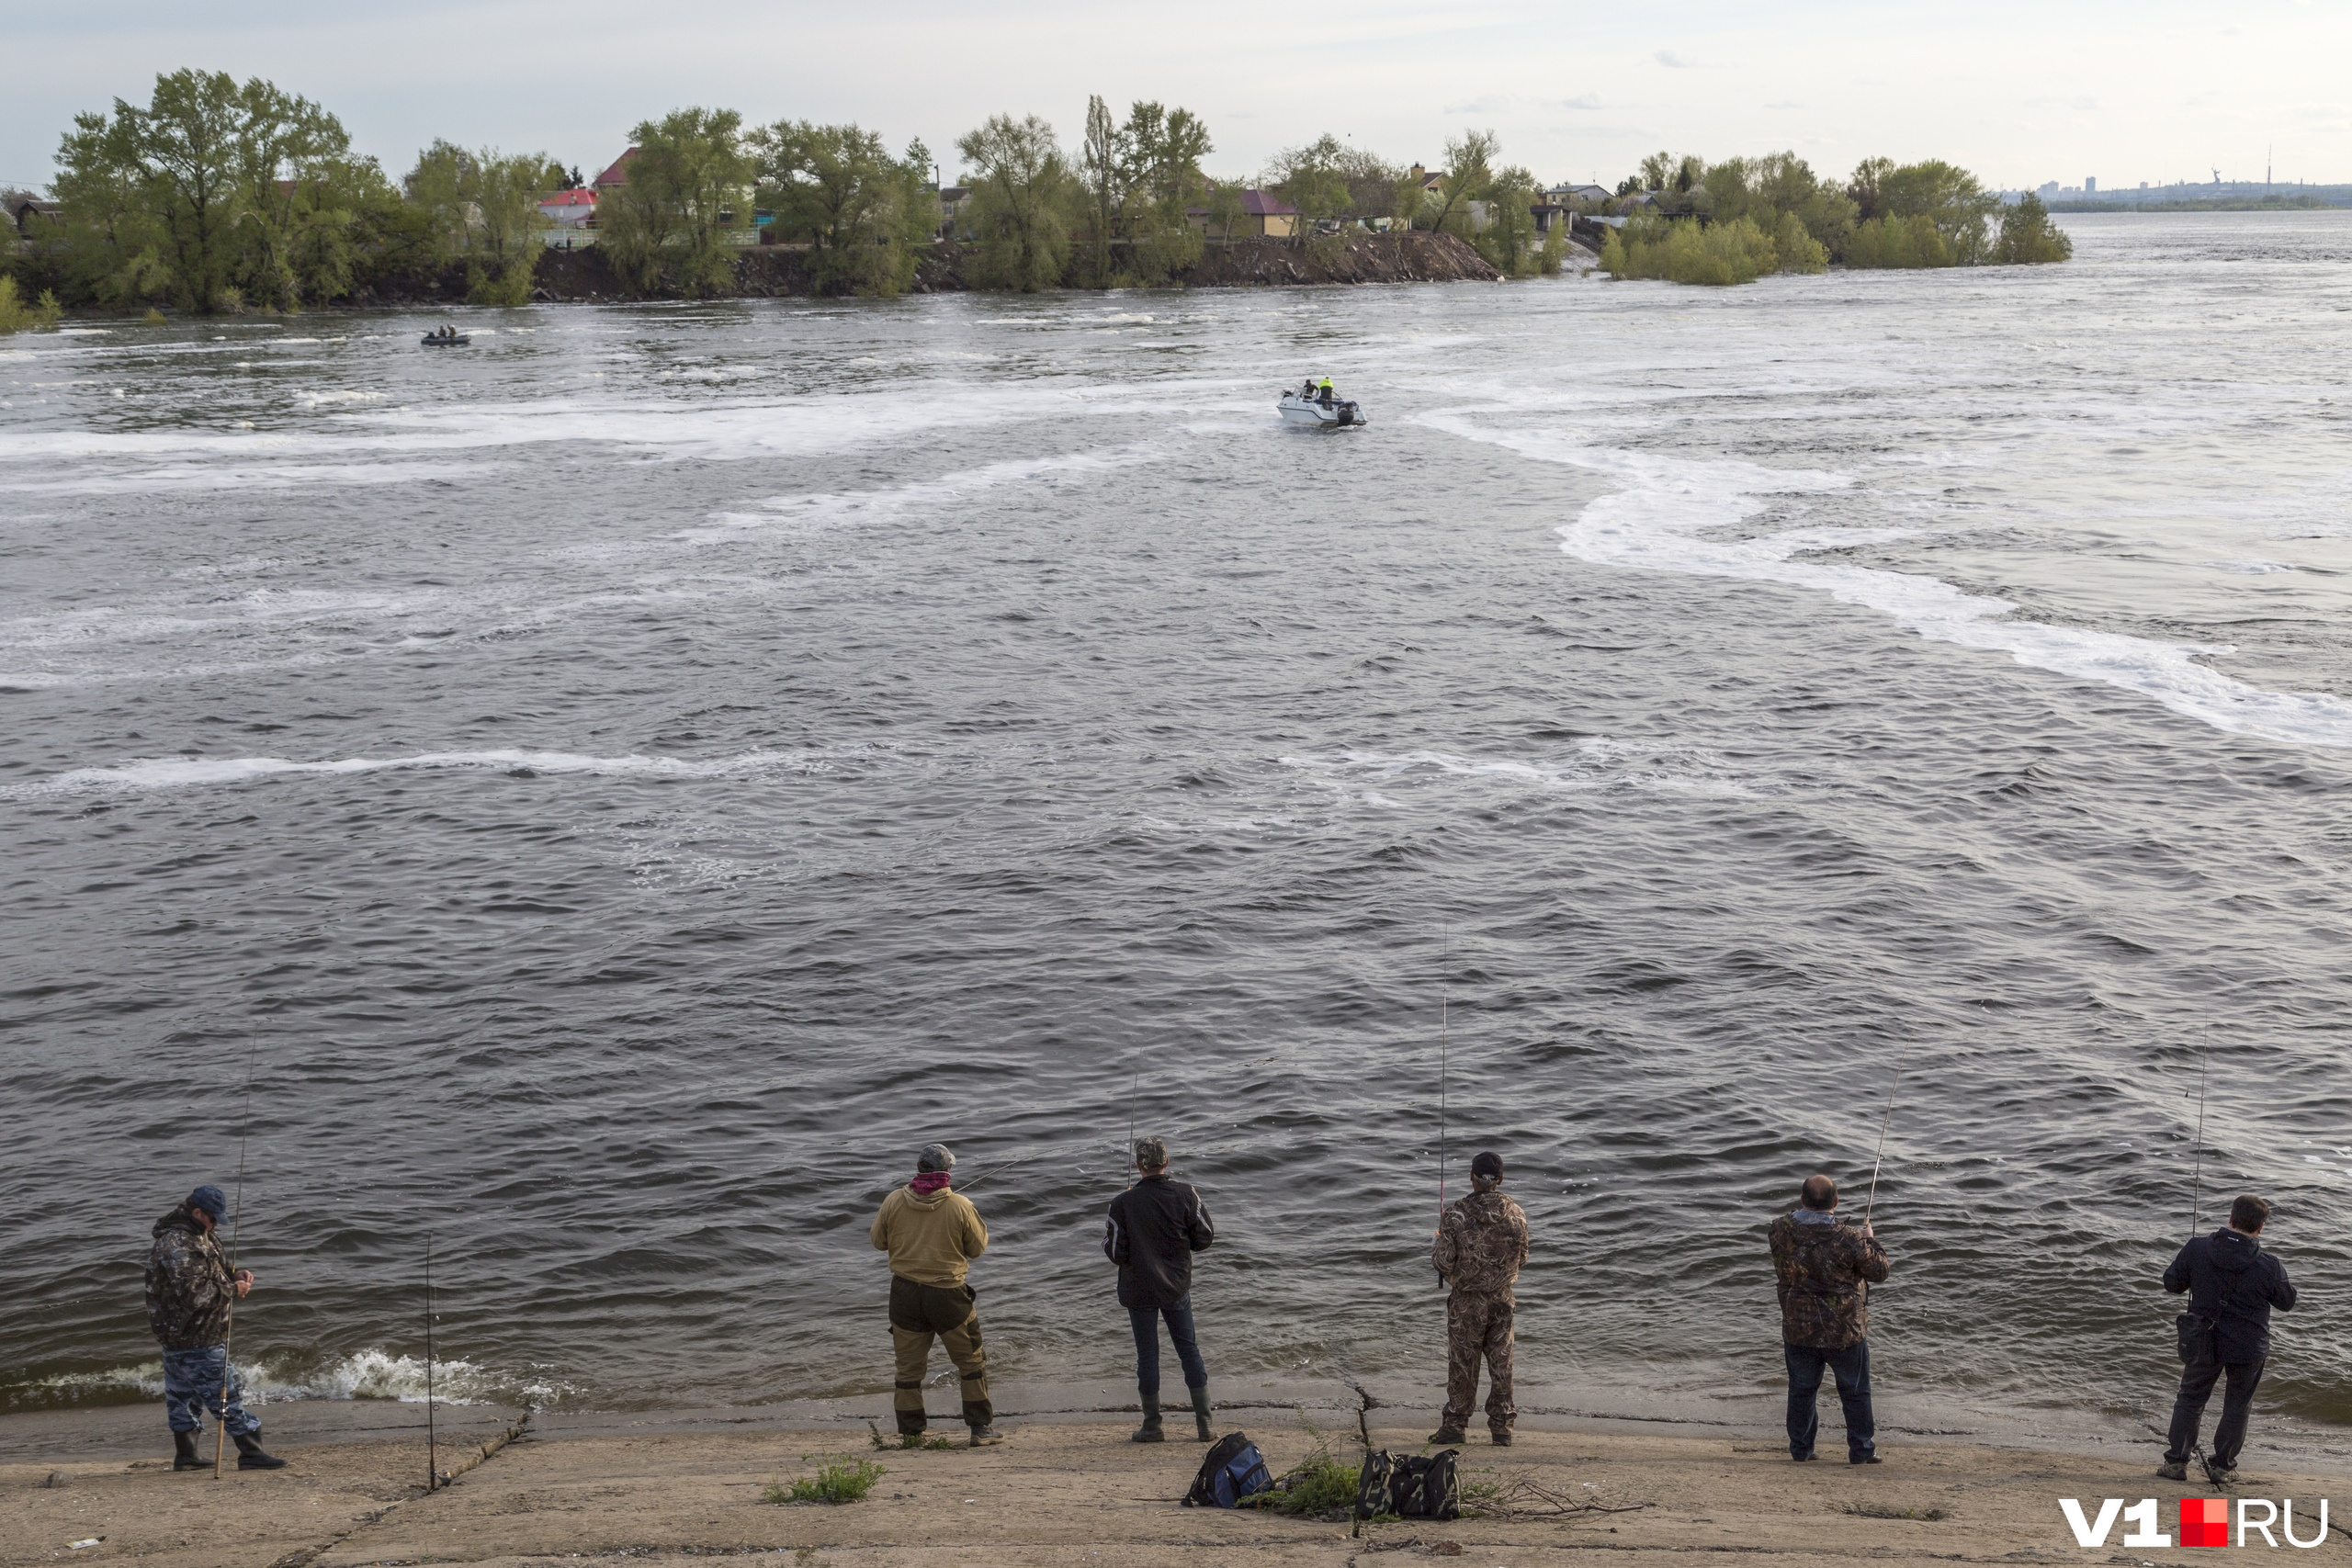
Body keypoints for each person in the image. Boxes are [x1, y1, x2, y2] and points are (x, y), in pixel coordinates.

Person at [145, 1185, 286, 1471]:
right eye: (212, 1219)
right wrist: (233, 1290)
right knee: (225, 1391)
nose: (215, 1225)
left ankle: (187, 1456)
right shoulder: (178, 1245)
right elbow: (196, 1295)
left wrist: (234, 1272)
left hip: (181, 1335)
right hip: (195, 1334)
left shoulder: (200, 1233)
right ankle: (251, 1452)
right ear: (197, 1212)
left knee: (184, 1396)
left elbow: (213, 1264)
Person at [2158, 1194, 2297, 1482]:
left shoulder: (2197, 1248)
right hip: (2249, 1345)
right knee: (2237, 1406)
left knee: (2190, 1400)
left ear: (2231, 1219)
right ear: (2260, 1228)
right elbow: (2287, 1302)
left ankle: (2175, 1464)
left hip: (2203, 1338)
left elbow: (2172, 1284)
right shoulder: (2269, 1265)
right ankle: (2222, 1468)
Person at [870, 1144, 1000, 1447]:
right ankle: (981, 1429)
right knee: (971, 1362)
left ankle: (911, 1433)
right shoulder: (960, 1205)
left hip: (904, 1295)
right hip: (948, 1296)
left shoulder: (893, 1201)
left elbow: (877, 1241)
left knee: (908, 1368)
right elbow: (977, 1249)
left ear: (918, 1169)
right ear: (948, 1172)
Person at [1768, 1174, 1888, 1465]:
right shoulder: (1850, 1238)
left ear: (1801, 1200)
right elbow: (1880, 1272)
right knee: (1856, 1391)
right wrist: (1871, 1241)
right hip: (1844, 1330)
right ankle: (1861, 1451)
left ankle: (1800, 1449)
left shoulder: (1779, 1230)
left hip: (1799, 1325)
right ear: (1836, 1202)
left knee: (1802, 1389)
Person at [1102, 1135, 1216, 1443]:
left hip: (1139, 1291)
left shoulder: (1122, 1202)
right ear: (1167, 1162)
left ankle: (1152, 1425)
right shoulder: (1185, 1193)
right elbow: (1204, 1237)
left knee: (1147, 1355)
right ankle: (1204, 1424)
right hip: (1176, 1287)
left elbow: (1115, 1253)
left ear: (1138, 1166)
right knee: (1188, 1350)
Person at [1429, 1150, 1529, 1445]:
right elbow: (1522, 1258)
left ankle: (1455, 1426)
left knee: (1463, 1364)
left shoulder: (1455, 1215)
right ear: (1500, 1179)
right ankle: (1502, 1428)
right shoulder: (1517, 1214)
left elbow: (1444, 1262)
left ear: (1471, 1177)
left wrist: (1436, 1242)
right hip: (1502, 1300)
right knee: (1502, 1364)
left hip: (1467, 1302)